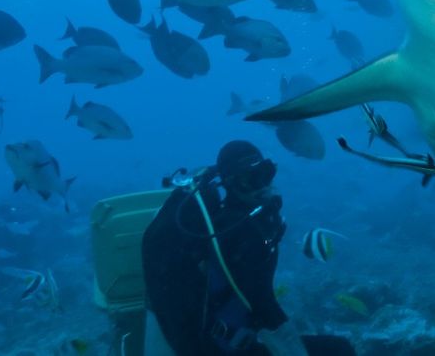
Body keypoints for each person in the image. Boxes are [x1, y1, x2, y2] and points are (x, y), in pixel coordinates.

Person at [139, 140, 354, 356]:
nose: (262, 186)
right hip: (214, 350)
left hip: (215, 343)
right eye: (249, 180)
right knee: (340, 351)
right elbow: (265, 310)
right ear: (230, 184)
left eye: (265, 174)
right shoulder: (240, 232)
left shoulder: (225, 223)